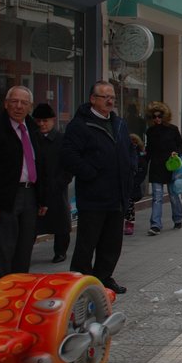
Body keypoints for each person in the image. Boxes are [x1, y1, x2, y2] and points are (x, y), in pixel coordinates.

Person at [0, 86, 47, 285]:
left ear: (30, 106)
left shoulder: (34, 130)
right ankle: (0, 303)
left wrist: (43, 198)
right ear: (5, 104)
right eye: (14, 101)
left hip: (30, 196)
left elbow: (42, 165)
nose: (18, 106)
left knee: (23, 253)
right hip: (4, 200)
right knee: (2, 255)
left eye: (24, 103)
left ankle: (18, 298)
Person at [61, 81, 132, 294]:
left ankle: (103, 278)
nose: (110, 101)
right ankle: (80, 282)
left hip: (116, 195)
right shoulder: (80, 125)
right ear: (93, 99)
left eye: (112, 97)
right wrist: (90, 173)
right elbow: (68, 156)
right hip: (93, 196)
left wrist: (131, 178)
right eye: (105, 97)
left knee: (111, 244)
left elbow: (127, 153)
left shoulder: (119, 123)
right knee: (87, 243)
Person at [32, 103, 72, 263]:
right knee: (31, 223)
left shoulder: (62, 140)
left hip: (56, 186)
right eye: (38, 121)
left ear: (53, 120)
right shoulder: (32, 139)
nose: (41, 124)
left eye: (45, 120)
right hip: (35, 187)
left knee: (60, 222)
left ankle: (60, 251)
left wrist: (61, 182)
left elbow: (68, 167)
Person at [145, 101, 182, 235]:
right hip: (156, 167)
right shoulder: (150, 131)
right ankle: (155, 225)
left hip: (171, 166)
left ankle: (178, 218)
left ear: (164, 116)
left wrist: (176, 153)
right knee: (157, 197)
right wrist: (142, 163)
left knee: (173, 195)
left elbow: (180, 145)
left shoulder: (172, 129)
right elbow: (148, 150)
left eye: (159, 116)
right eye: (154, 116)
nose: (157, 119)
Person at [123, 133, 149, 236]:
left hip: (132, 184)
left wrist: (135, 182)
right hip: (123, 182)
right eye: (130, 142)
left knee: (129, 204)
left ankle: (129, 224)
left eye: (134, 142)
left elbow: (142, 171)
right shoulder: (122, 153)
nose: (132, 144)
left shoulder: (140, 155)